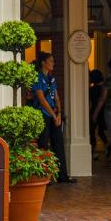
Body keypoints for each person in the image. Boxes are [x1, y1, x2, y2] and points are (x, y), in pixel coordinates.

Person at [31, 51, 74, 183]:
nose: (53, 64)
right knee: (43, 145)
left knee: (58, 144)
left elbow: (56, 97)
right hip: (43, 114)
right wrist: (53, 115)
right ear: (44, 63)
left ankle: (62, 175)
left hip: (54, 115)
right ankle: (44, 176)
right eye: (51, 61)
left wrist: (59, 113)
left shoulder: (52, 78)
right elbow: (41, 99)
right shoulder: (37, 77)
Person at [88, 68, 107, 158]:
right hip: (104, 111)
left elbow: (89, 102)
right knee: (101, 131)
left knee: (92, 130)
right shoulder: (105, 88)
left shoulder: (91, 90)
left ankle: (94, 150)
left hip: (94, 111)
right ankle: (107, 144)